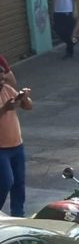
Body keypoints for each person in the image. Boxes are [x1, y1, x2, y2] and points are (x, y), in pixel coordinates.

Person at [0, 57, 31, 217]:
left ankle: (18, 214)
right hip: (1, 149)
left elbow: (29, 107)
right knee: (6, 181)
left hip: (17, 144)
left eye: (2, 78)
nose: (1, 82)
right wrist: (5, 109)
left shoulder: (7, 89)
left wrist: (24, 98)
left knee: (19, 182)